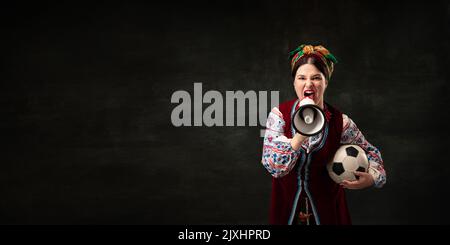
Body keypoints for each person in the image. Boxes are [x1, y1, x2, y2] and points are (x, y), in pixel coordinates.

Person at [261, 44, 386, 225]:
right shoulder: (278, 115)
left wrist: (372, 177)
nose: (309, 83)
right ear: (294, 82)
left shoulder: (340, 122)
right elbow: (273, 166)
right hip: (287, 210)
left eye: (316, 78)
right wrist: (301, 132)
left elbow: (372, 154)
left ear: (326, 82)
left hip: (328, 211)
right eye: (301, 77)